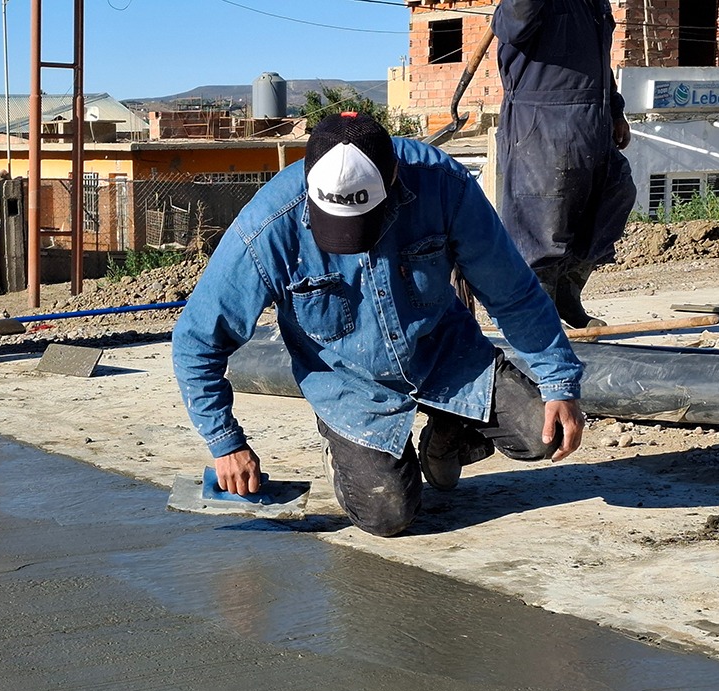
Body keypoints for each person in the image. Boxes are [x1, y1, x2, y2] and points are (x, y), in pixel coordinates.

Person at [171, 112, 586, 537]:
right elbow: (196, 340)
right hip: (350, 384)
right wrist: (227, 443)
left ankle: (449, 432)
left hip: (443, 354)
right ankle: (344, 450)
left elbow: (512, 292)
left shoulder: (443, 185)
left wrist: (559, 382)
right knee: (389, 517)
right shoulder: (269, 227)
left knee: (544, 433)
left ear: (392, 178)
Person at [494, 0, 637, 329]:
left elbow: (600, 64)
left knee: (616, 191)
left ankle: (567, 292)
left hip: (593, 121)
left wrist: (615, 111)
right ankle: (536, 313)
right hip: (542, 124)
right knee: (543, 224)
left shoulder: (593, 4)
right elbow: (513, 24)